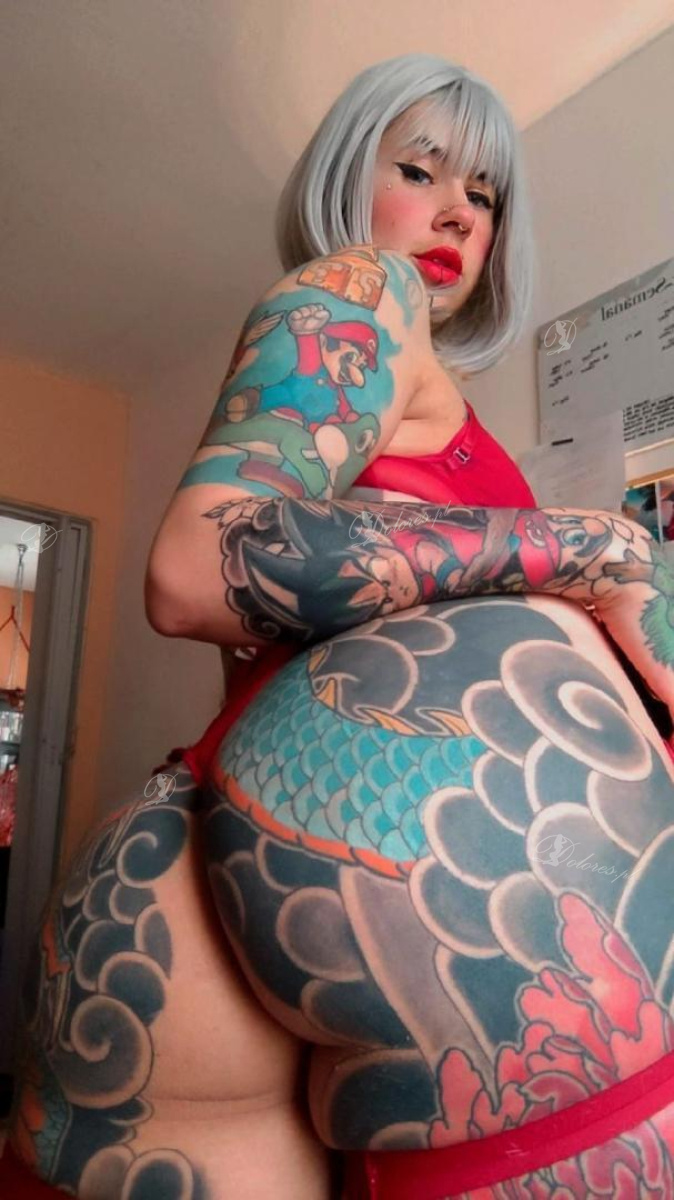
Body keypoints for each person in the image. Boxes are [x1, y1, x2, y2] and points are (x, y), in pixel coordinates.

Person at [4, 52, 674, 1200]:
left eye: (483, 194)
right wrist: (591, 547)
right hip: (418, 894)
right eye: (418, 170)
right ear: (343, 177)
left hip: (211, 885)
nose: (456, 212)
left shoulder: (403, 373)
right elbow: (200, 562)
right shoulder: (366, 291)